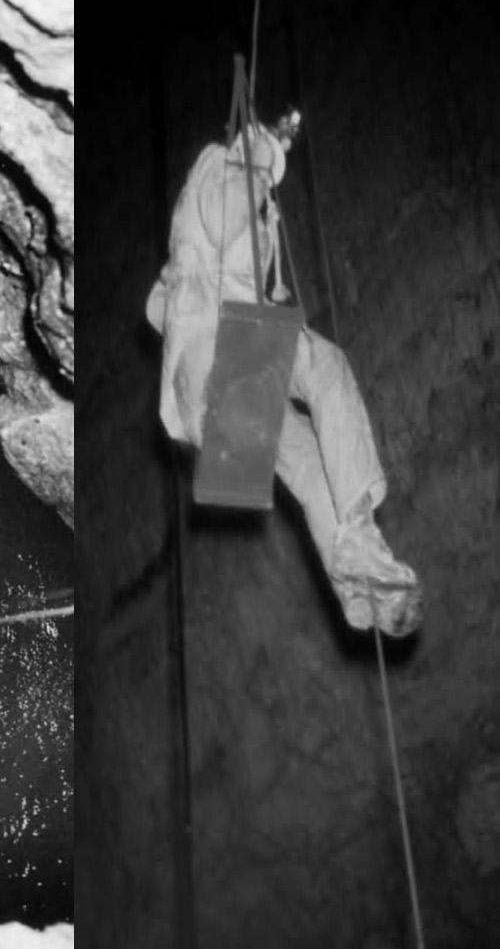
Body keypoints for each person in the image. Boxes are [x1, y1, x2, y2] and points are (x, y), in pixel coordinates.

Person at [145, 116, 422, 637]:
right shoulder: (214, 173)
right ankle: (359, 532)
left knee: (312, 467)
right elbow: (222, 212)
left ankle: (363, 588)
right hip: (225, 362)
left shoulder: (200, 235)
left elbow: (165, 307)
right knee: (327, 369)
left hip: (211, 404)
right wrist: (264, 157)